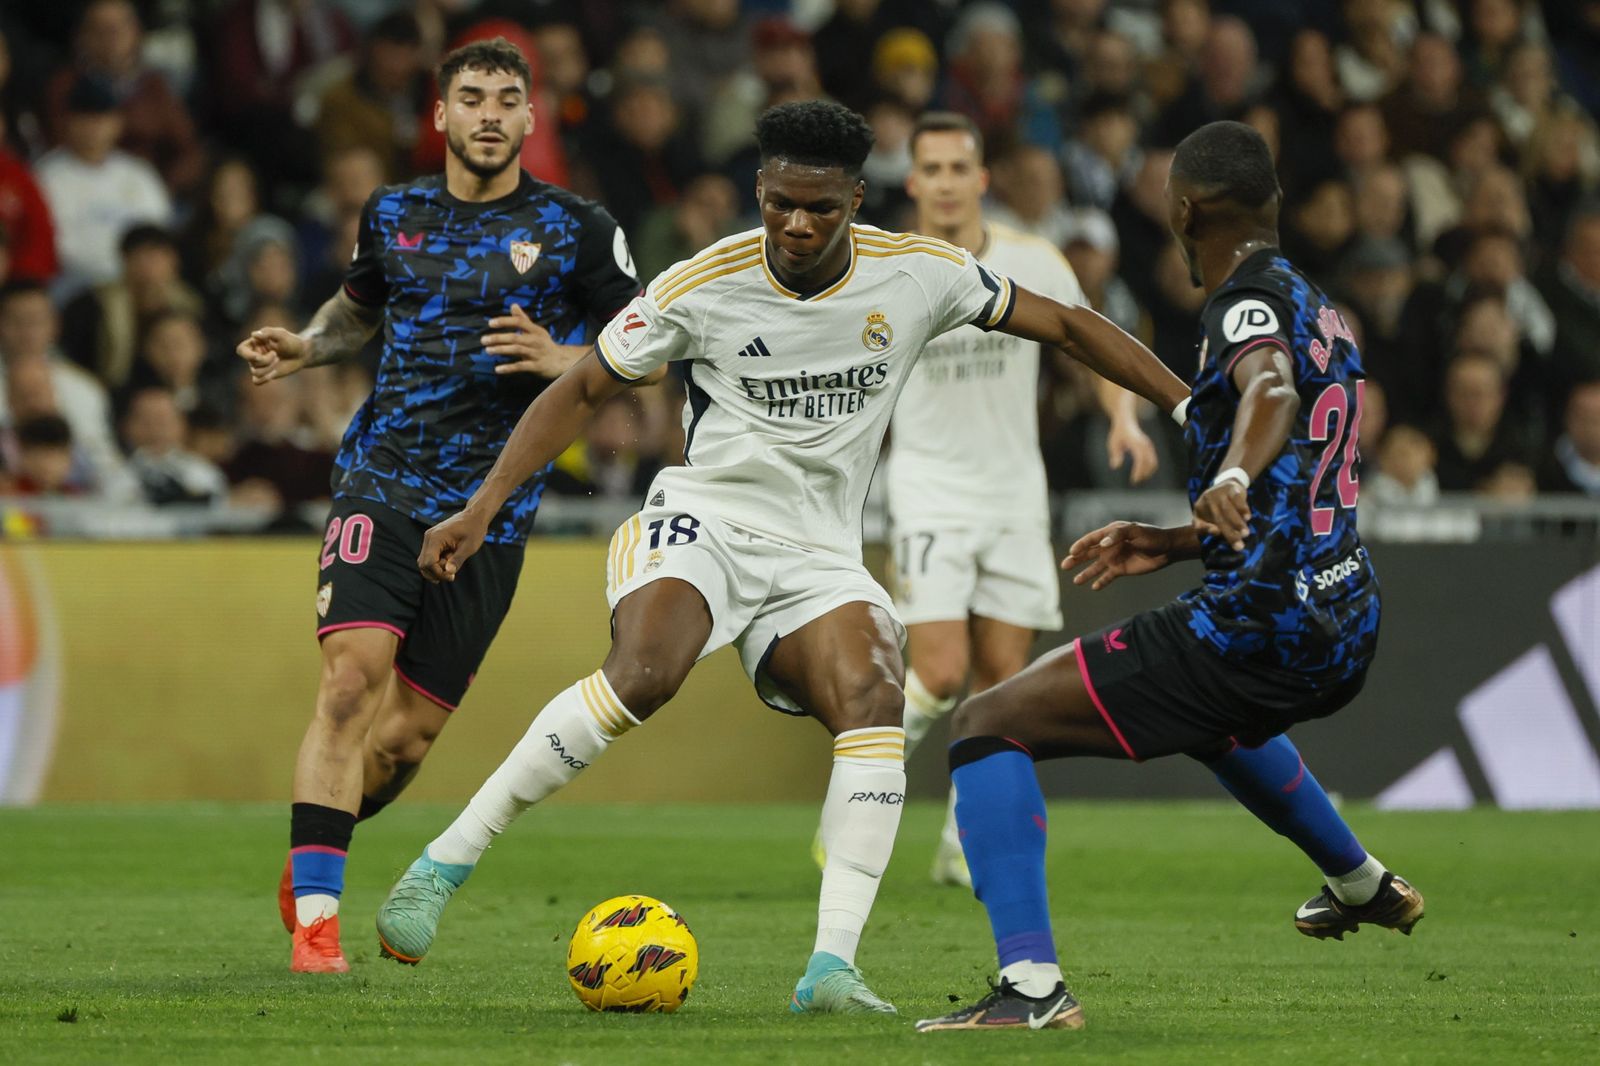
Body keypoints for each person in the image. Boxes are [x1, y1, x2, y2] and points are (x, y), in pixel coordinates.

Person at [372, 100, 1190, 1015]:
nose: (796, 226)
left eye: (821, 208)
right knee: (645, 673)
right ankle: (447, 861)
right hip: (705, 520)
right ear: (759, 191)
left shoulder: (920, 274)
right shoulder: (703, 283)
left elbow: (1072, 326)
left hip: (819, 552)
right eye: (779, 204)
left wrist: (1190, 407)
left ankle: (829, 969)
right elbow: (585, 387)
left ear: (856, 201)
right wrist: (483, 506)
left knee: (877, 693)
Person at [917, 121, 1423, 1034]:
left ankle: (1030, 988)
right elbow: (1295, 468)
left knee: (987, 724)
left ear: (1183, 209)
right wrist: (1178, 538)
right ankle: (1361, 883)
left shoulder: (1245, 309)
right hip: (1344, 613)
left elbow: (1268, 391)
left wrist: (1226, 475)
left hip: (1258, 623)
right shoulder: (1320, 306)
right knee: (1214, 721)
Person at [235, 37, 640, 975]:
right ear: (442, 116)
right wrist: (305, 344)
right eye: (472, 97)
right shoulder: (393, 213)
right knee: (348, 681)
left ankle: (318, 848)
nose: (490, 113)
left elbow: (653, 342)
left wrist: (566, 363)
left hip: (495, 508)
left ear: (532, 118)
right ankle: (320, 925)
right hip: (384, 475)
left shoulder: (578, 227)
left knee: (406, 739)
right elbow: (358, 312)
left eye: (507, 98)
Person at [861, 110, 1159, 889]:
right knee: (936, 670)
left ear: (981, 179)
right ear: (914, 180)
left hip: (1015, 495)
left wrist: (1123, 413)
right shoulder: (886, 267)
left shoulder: (1035, 259)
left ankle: (965, 842)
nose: (948, 183)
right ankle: (852, 805)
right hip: (927, 488)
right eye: (933, 169)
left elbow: (1087, 338)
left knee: (1001, 679)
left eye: (961, 168)